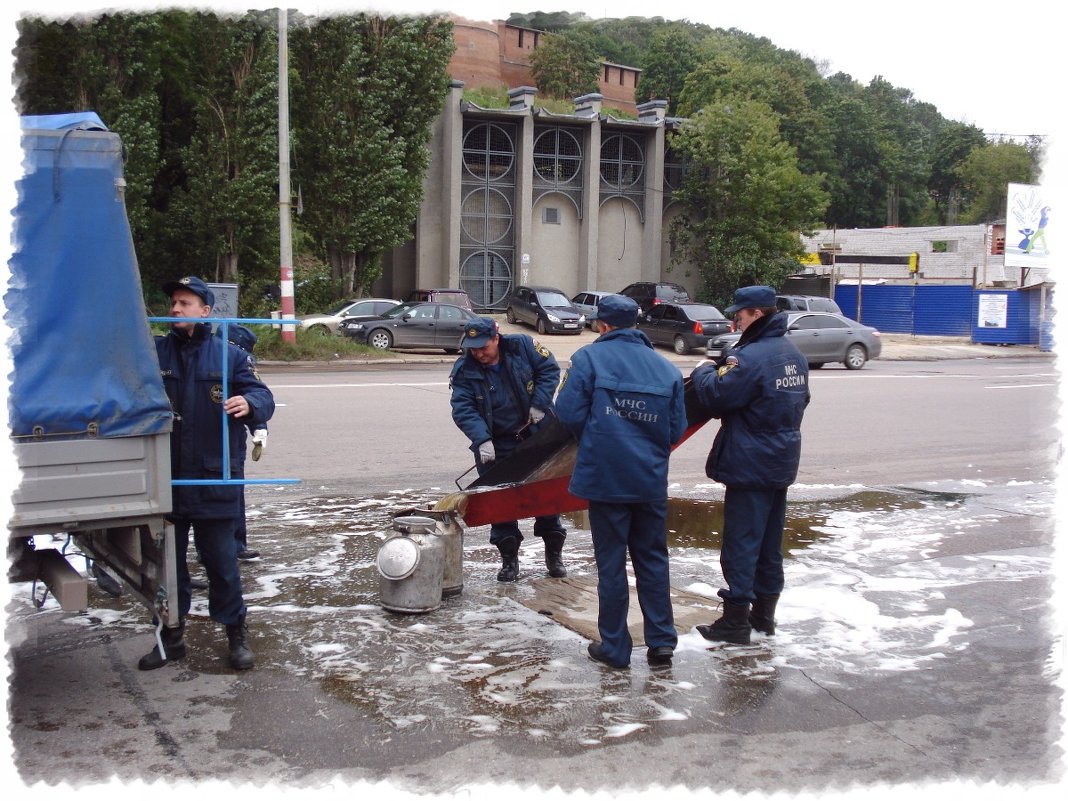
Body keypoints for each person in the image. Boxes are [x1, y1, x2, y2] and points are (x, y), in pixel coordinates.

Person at [139, 276, 275, 671]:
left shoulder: (229, 356)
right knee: (168, 570)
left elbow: (263, 396)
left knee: (221, 565)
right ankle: (170, 637)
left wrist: (249, 403)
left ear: (205, 310)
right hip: (166, 480)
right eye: (173, 302)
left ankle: (235, 633)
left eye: (185, 303)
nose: (176, 309)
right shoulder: (154, 353)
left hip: (214, 480)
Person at [555, 294, 687, 669]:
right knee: (653, 560)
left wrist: (597, 434)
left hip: (606, 477)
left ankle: (615, 648)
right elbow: (674, 429)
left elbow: (566, 411)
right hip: (648, 479)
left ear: (602, 325)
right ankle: (661, 643)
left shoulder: (589, 358)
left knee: (611, 565)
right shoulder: (667, 369)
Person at [690, 285, 810, 645]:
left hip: (750, 462)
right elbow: (802, 401)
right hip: (781, 459)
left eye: (739, 314)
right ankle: (764, 617)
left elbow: (716, 395)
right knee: (770, 544)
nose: (734, 319)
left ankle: (736, 621)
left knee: (742, 543)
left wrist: (702, 371)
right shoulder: (793, 354)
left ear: (758, 314)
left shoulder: (751, 358)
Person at [449, 317, 568, 581]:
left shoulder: (522, 347)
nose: (478, 353)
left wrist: (540, 402)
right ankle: (509, 562)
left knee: (546, 498)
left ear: (496, 338)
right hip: (497, 443)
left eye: (483, 346)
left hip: (537, 435)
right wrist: (481, 440)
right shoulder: (464, 370)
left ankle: (554, 557)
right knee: (499, 505)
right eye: (473, 347)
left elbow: (549, 370)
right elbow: (463, 408)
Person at [218, 323, 269, 561]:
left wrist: (259, 428)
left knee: (233, 493)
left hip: (230, 439)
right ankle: (216, 548)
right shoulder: (205, 357)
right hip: (210, 442)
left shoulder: (234, 361)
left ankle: (236, 545)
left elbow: (252, 396)